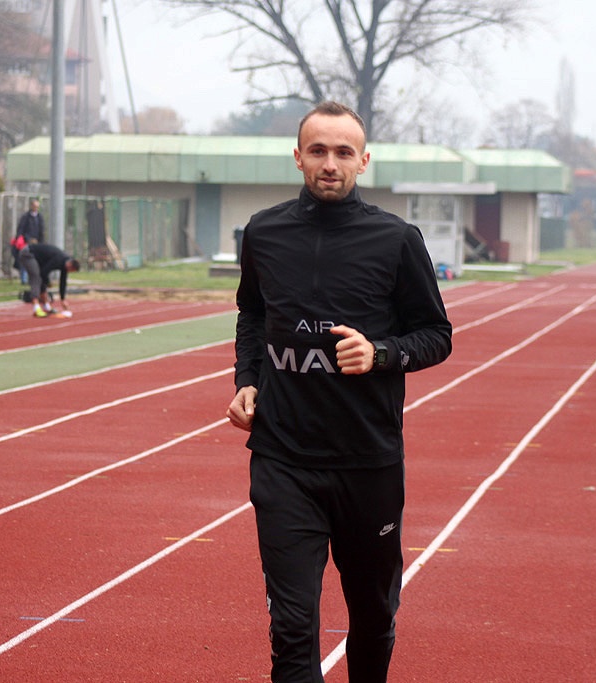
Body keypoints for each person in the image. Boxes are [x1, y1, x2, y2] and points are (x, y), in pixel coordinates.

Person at [226, 101, 452, 682]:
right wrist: (247, 381)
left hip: (368, 463)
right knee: (292, 627)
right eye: (319, 151)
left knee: (373, 616)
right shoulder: (264, 232)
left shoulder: (397, 239)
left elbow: (436, 335)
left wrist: (382, 354)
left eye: (344, 152)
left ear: (364, 161)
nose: (331, 164)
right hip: (283, 459)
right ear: (298, 156)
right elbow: (252, 313)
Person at [18, 242, 80, 317]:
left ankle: (46, 307)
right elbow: (44, 272)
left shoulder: (65, 263)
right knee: (36, 277)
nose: (69, 272)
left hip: (38, 258)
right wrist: (48, 282)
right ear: (70, 265)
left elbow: (63, 282)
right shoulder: (58, 259)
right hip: (28, 253)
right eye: (71, 270)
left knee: (42, 278)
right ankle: (36, 308)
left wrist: (63, 299)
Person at [13, 198, 46, 283]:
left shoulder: (39, 217)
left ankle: (33, 278)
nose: (36, 208)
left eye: (37, 207)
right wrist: (28, 239)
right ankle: (24, 279)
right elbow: (21, 229)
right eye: (34, 206)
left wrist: (40, 241)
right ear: (31, 206)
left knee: (35, 261)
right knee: (25, 259)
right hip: (26, 242)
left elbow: (42, 231)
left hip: (37, 243)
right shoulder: (26, 217)